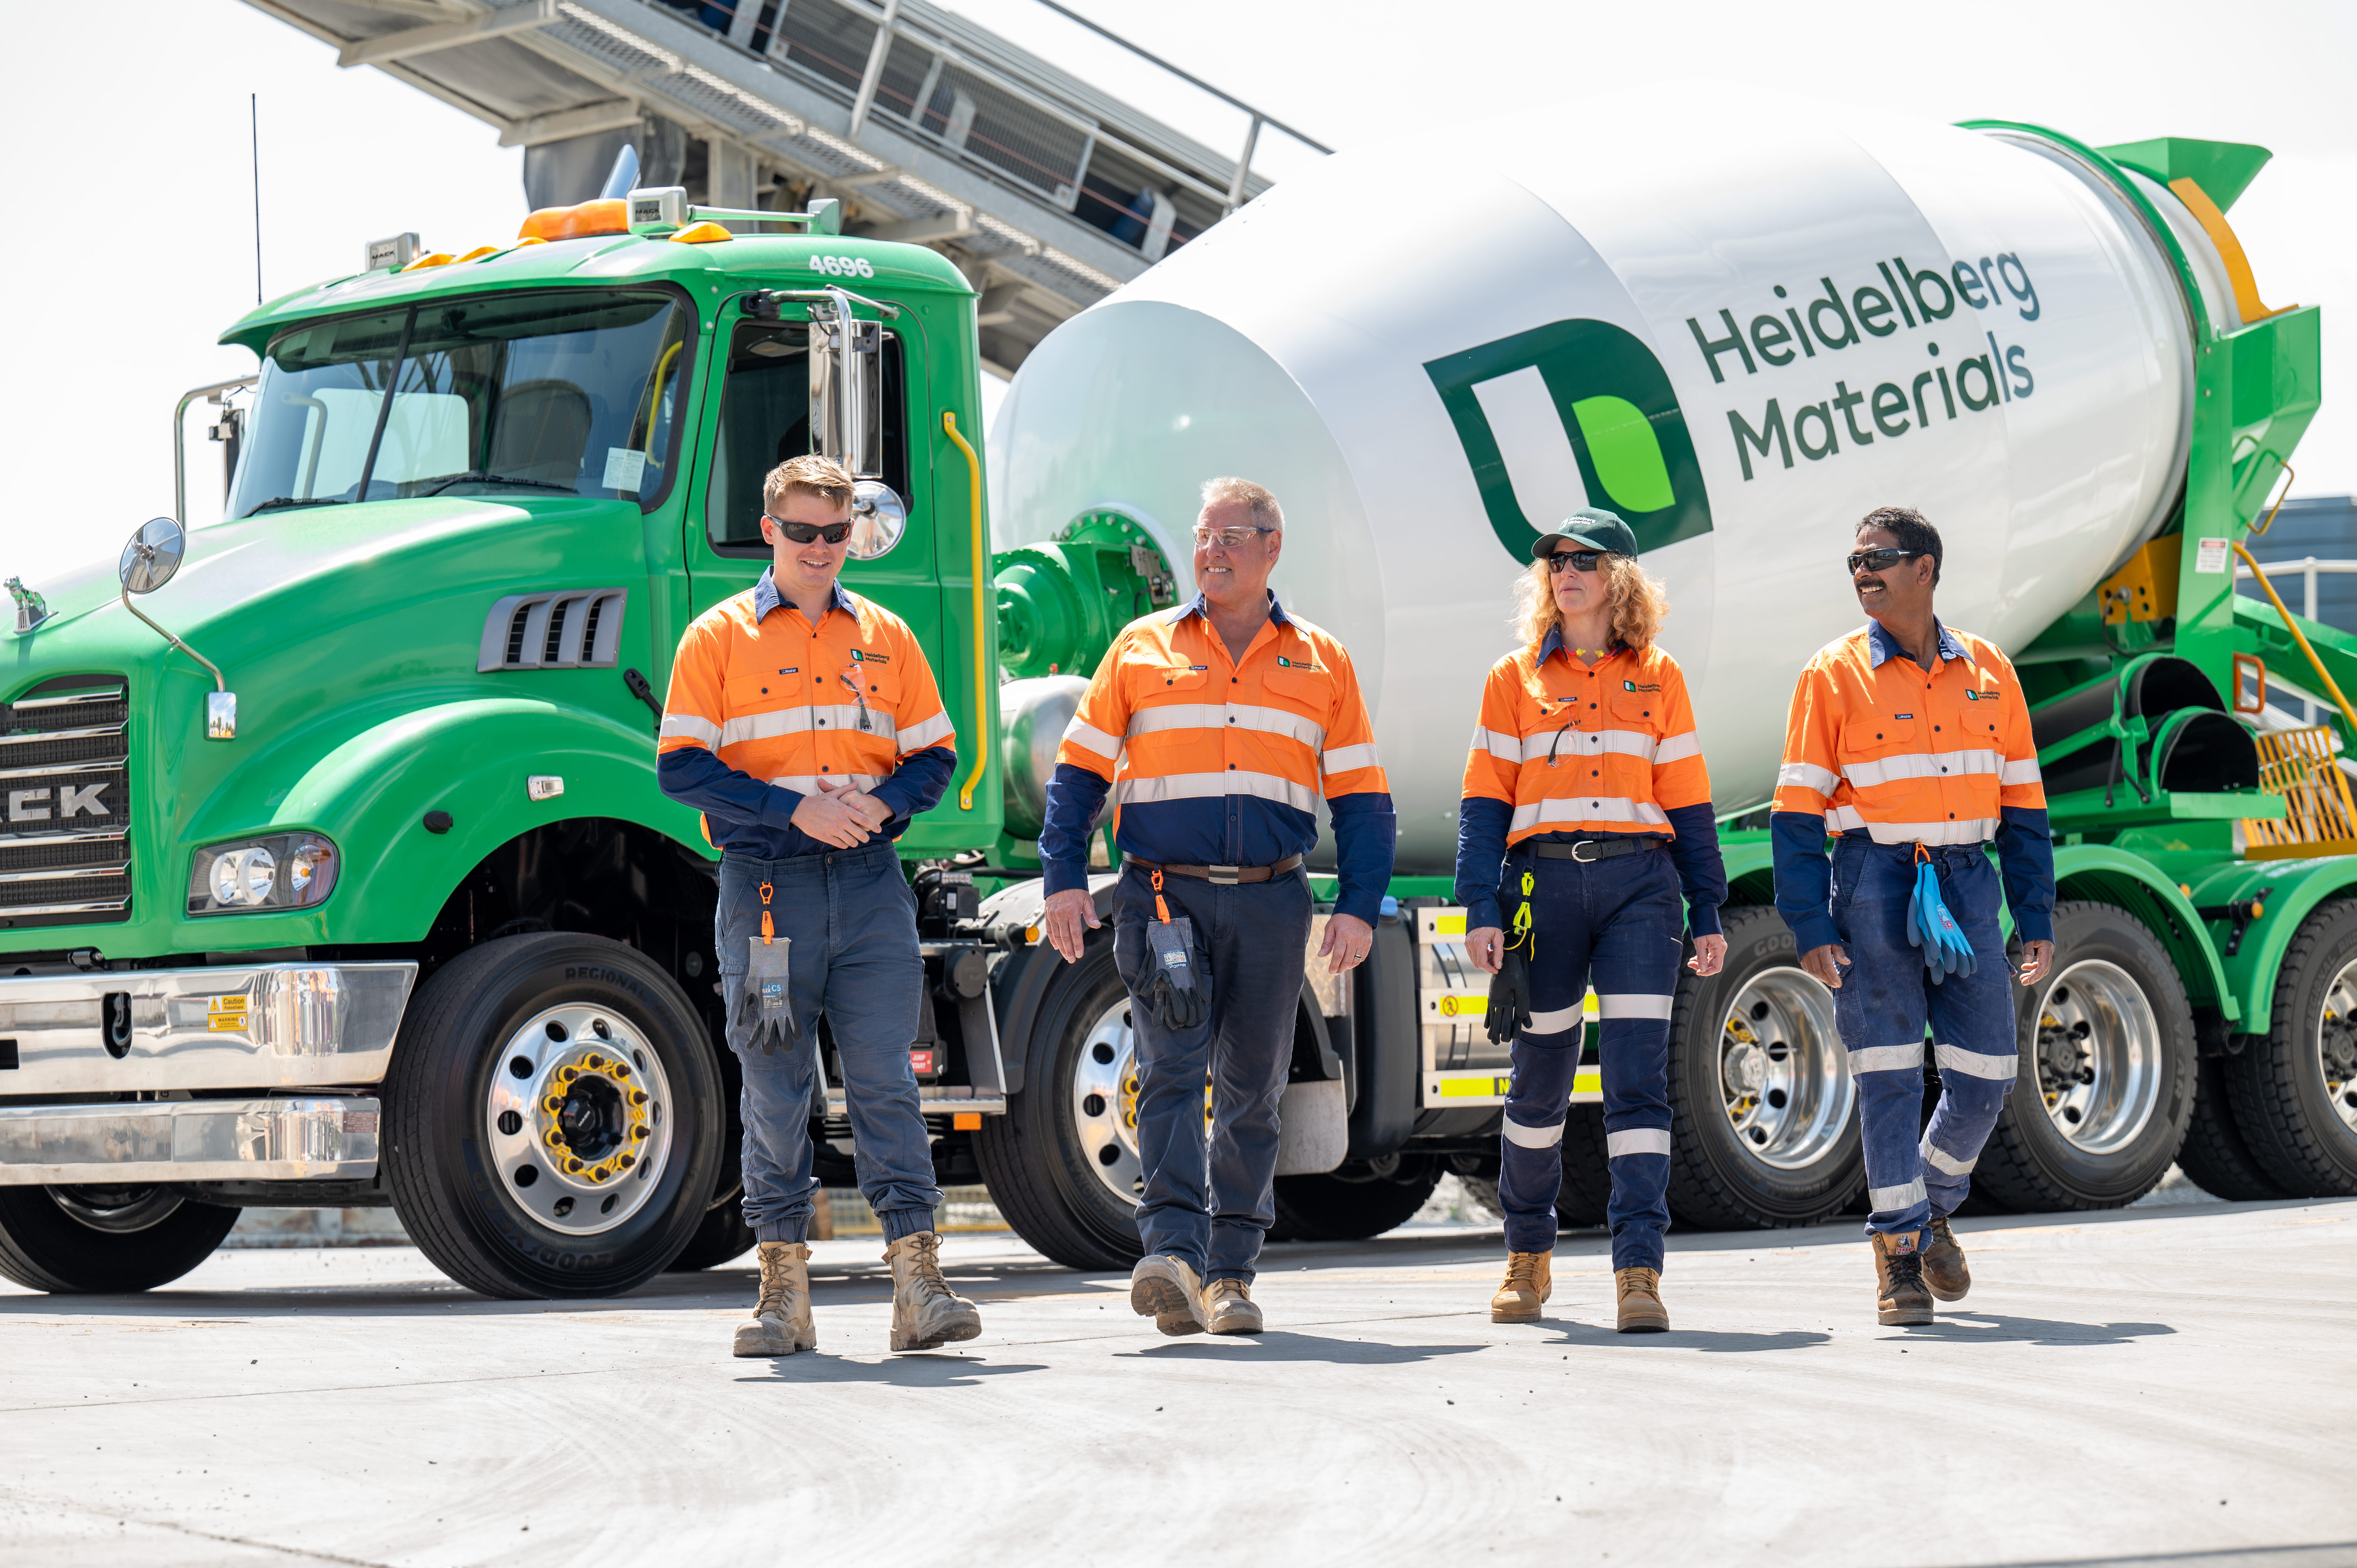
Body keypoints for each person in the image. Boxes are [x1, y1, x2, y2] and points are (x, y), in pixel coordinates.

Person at [1037, 477, 1396, 1336]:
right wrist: (1059, 880)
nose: (1213, 551)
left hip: (1272, 900)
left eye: (1232, 536)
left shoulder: (1322, 660)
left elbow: (1363, 801)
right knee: (1167, 1070)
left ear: (1273, 546)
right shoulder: (1140, 648)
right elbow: (1080, 777)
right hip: (1163, 899)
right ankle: (1171, 1252)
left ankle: (1232, 1270)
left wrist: (1358, 906)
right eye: (1205, 535)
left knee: (1252, 1088)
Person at [658, 452, 984, 1357]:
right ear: (769, 531)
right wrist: (793, 807)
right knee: (775, 1088)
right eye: (800, 531)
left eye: (835, 533)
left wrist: (879, 806)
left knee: (885, 1081)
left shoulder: (887, 635)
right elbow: (680, 765)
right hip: (767, 895)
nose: (818, 548)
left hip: (873, 890)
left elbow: (934, 755)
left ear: (852, 537)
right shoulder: (715, 639)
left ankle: (920, 1284)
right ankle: (781, 1295)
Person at [1771, 505, 2055, 1326]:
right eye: (1854, 562)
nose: (1864, 572)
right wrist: (1811, 923)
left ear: (1926, 566)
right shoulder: (1831, 673)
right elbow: (1796, 811)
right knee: (1888, 1071)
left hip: (1966, 879)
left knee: (1989, 1072)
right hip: (1873, 877)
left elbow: (2025, 805)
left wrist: (2034, 908)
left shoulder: (1992, 669)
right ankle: (1898, 1254)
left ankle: (1931, 1200)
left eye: (1881, 558)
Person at [1458, 509, 1728, 1334]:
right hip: (1543, 889)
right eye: (1555, 561)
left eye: (1584, 558)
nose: (1565, 570)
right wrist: (1480, 907)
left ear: (1620, 576)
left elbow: (1686, 796)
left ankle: (1639, 1272)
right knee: (1539, 1080)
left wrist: (1707, 904)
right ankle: (1526, 1256)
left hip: (1642, 888)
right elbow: (1482, 804)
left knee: (1636, 1080)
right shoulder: (1513, 678)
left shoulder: (1660, 674)